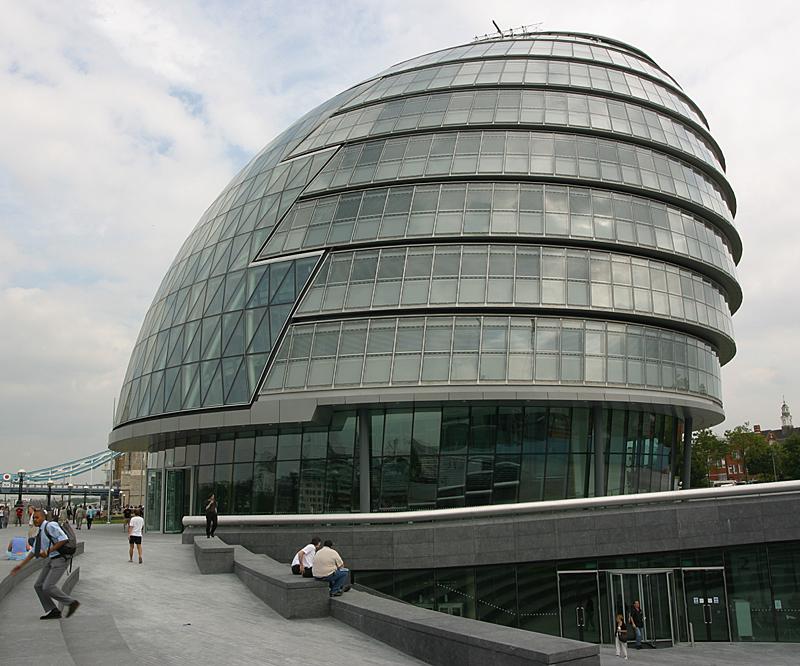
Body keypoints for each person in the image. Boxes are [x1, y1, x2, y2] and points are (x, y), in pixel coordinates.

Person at [10, 508, 80, 620]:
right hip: (51, 559)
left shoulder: (50, 526)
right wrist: (20, 565)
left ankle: (71, 602)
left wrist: (48, 551)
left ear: (43, 517)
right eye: (34, 518)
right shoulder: (41, 532)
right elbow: (34, 552)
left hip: (60, 559)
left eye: (37, 517)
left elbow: (63, 539)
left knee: (48, 587)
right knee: (38, 586)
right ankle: (53, 610)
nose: (35, 520)